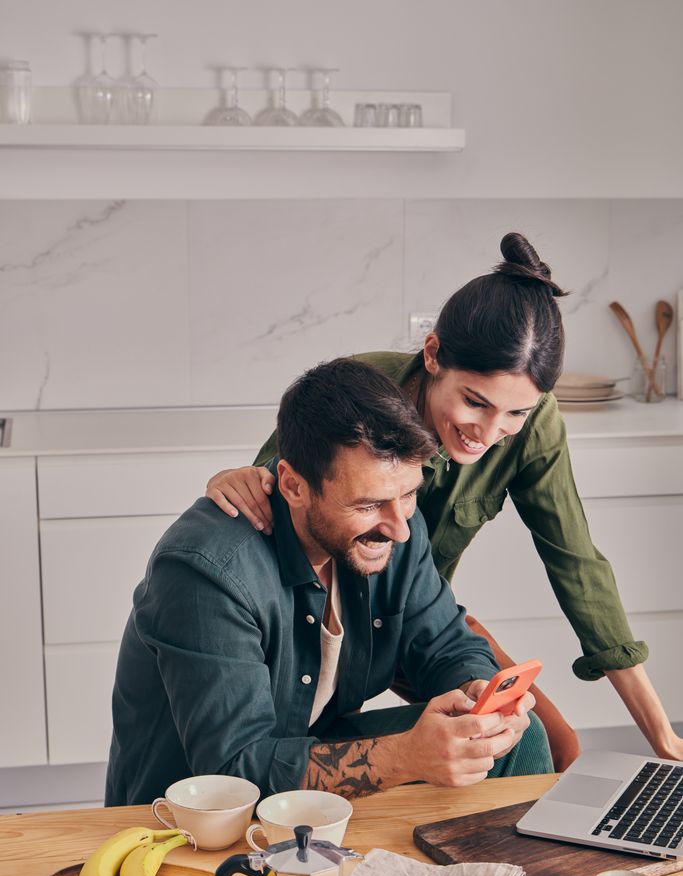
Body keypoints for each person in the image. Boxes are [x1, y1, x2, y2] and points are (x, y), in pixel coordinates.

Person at [205, 232, 681, 769]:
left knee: (539, 742)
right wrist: (240, 477)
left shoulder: (530, 428)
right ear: (432, 354)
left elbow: (576, 562)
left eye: (516, 413)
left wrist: (662, 734)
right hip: (315, 618)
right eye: (475, 402)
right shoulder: (362, 394)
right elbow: (279, 489)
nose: (490, 431)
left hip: (416, 616)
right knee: (303, 744)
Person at [105, 358, 552, 807]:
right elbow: (232, 771)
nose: (399, 527)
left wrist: (478, 693)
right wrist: (404, 758)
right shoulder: (207, 572)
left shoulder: (394, 529)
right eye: (369, 504)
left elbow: (447, 646)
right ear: (294, 486)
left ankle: (501, 875)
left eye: (409, 493)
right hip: (192, 812)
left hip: (304, 764)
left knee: (519, 738)